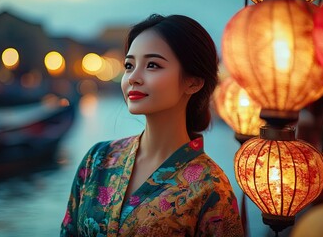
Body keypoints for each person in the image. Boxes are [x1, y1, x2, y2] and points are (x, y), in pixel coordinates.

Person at [61, 14, 244, 237]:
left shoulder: (211, 188)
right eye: (129, 65)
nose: (133, 77)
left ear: (193, 82)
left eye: (153, 65)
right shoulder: (99, 159)